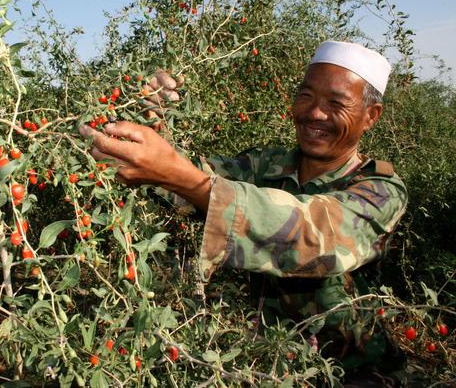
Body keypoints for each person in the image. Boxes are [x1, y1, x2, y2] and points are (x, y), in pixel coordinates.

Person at [79, 41, 408, 385]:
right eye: (306, 95)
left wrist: (180, 175)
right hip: (270, 365)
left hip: (352, 373)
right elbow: (193, 178)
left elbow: (316, 236)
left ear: (371, 116)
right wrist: (156, 125)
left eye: (336, 103)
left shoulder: (382, 190)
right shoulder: (267, 165)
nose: (315, 113)